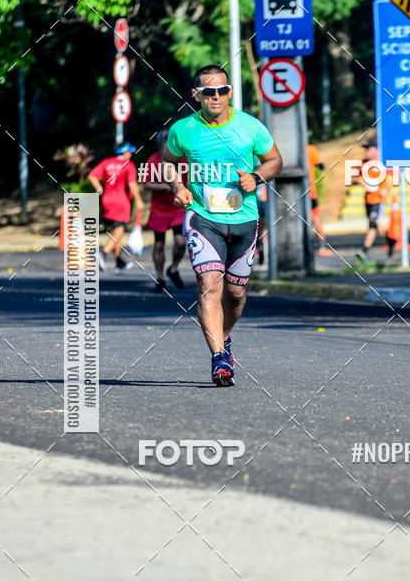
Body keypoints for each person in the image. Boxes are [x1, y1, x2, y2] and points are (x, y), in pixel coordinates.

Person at [161, 65, 283, 386]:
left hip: (244, 220)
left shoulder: (250, 126)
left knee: (236, 294)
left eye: (222, 90)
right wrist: (178, 187)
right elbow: (168, 163)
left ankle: (223, 338)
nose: (216, 97)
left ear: (229, 92)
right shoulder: (183, 129)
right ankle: (218, 357)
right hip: (202, 218)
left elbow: (275, 161)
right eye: (208, 91)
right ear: (196, 94)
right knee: (209, 284)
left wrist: (256, 177)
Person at [141, 131, 187, 293]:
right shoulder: (153, 160)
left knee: (181, 242)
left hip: (177, 207)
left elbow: (190, 180)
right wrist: (166, 186)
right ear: (160, 144)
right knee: (159, 245)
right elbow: (145, 184)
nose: (169, 147)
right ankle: (160, 278)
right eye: (166, 143)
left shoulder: (183, 159)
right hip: (159, 210)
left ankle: (173, 269)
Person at [89, 142, 144, 270]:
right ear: (124, 152)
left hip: (107, 201)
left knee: (116, 231)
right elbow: (132, 185)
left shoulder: (107, 162)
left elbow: (92, 176)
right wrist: (139, 200)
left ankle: (119, 261)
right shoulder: (128, 165)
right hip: (121, 202)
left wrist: (100, 190)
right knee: (119, 231)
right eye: (129, 151)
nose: (130, 154)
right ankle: (102, 254)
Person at [355, 142, 391, 262]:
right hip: (368, 199)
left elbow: (393, 177)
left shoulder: (382, 162)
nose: (366, 152)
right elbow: (354, 176)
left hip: (379, 199)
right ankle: (390, 240)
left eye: (369, 150)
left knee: (372, 223)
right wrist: (362, 183)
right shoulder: (363, 163)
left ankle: (364, 251)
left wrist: (386, 189)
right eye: (365, 150)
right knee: (375, 225)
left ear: (376, 151)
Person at [307, 142, 331, 255]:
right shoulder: (310, 149)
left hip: (295, 191)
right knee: (316, 217)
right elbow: (321, 166)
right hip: (310, 191)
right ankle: (322, 246)